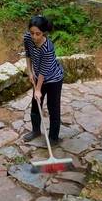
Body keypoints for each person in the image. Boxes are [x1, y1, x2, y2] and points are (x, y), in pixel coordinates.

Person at [23, 15, 65, 145]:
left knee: (53, 108)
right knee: (36, 105)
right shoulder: (27, 38)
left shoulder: (48, 48)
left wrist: (38, 89)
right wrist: (30, 71)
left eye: (38, 34)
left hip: (53, 79)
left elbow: (44, 71)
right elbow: (28, 54)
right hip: (38, 75)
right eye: (32, 33)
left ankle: (53, 138)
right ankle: (36, 131)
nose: (34, 37)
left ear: (44, 33)